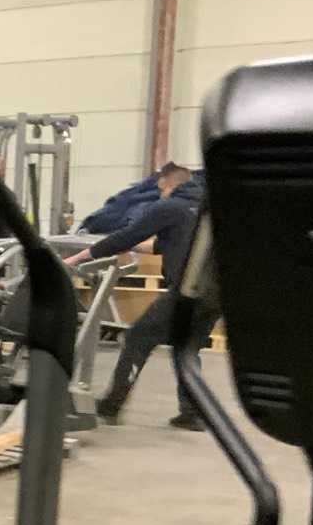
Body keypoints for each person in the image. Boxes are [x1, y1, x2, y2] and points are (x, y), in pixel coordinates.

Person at [64, 162, 217, 430]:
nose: (159, 194)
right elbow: (165, 243)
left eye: (160, 189)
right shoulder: (205, 209)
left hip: (186, 293)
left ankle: (112, 405)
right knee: (186, 348)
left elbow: (125, 236)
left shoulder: (170, 206)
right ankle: (192, 414)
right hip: (214, 296)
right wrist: (132, 245)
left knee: (137, 338)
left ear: (168, 184)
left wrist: (76, 258)